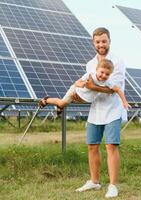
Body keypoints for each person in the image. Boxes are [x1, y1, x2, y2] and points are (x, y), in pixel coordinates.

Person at [74, 27, 127, 198]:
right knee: (92, 146)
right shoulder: (90, 64)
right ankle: (94, 182)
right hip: (95, 110)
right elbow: (88, 90)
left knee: (111, 146)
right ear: (93, 43)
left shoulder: (117, 61)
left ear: (109, 41)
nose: (101, 44)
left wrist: (91, 86)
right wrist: (80, 94)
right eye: (98, 42)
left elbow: (112, 89)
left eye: (104, 41)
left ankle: (113, 185)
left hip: (113, 110)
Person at [38, 59, 131, 113]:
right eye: (102, 72)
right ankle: (46, 100)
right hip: (75, 92)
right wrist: (81, 84)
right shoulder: (90, 75)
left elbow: (118, 90)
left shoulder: (108, 82)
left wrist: (124, 102)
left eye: (107, 74)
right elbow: (76, 83)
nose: (103, 76)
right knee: (62, 103)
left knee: (65, 104)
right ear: (97, 69)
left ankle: (58, 107)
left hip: (83, 99)